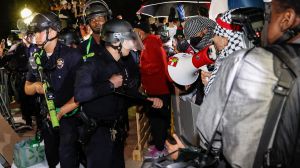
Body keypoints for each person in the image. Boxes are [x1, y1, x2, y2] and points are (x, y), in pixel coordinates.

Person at [167, 0, 300, 167]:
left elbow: (209, 133)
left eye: (269, 17)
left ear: (287, 18)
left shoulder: (240, 64)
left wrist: (214, 81)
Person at [74, 19, 163, 168]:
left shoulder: (120, 64)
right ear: (116, 41)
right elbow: (80, 94)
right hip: (98, 135)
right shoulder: (93, 63)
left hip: (116, 132)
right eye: (129, 40)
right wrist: (109, 84)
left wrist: (148, 100)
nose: (133, 45)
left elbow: (124, 94)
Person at [25, 11, 82, 168]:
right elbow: (26, 88)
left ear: (53, 31)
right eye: (34, 32)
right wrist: (37, 87)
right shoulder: (35, 57)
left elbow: (82, 93)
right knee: (52, 158)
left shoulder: (72, 55)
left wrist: (62, 111)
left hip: (70, 117)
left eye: (39, 31)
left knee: (67, 158)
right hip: (47, 118)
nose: (35, 36)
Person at [135, 21, 173, 158]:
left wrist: (140, 69)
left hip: (157, 88)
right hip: (157, 86)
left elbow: (154, 66)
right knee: (158, 118)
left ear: (142, 32)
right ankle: (159, 142)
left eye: (136, 31)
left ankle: (160, 149)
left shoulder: (150, 42)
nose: (134, 34)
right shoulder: (149, 42)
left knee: (157, 119)